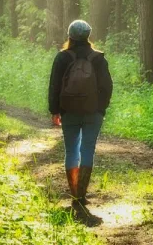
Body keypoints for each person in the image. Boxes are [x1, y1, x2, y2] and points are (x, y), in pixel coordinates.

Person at [48, 19, 113, 215]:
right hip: (93, 112)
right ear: (88, 36)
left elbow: (54, 86)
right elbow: (107, 87)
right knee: (87, 150)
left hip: (69, 111)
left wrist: (55, 110)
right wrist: (101, 108)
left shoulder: (62, 58)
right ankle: (82, 195)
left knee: (71, 151)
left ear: (70, 36)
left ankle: (74, 194)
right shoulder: (98, 58)